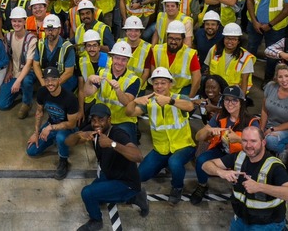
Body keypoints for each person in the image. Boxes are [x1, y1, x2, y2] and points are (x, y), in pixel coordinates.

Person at [66, 103, 148, 231]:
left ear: (109, 120)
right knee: (95, 199)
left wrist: (112, 144)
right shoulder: (93, 129)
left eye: (101, 119)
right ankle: (136, 196)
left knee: (87, 193)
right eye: (94, 120)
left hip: (126, 182)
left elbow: (138, 156)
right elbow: (68, 142)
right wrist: (78, 136)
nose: (97, 123)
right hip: (110, 174)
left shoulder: (118, 133)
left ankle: (96, 220)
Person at [202, 126, 288, 230]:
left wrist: (260, 187)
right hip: (240, 219)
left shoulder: (274, 166)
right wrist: (221, 172)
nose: (248, 145)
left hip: (266, 224)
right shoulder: (239, 157)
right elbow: (205, 165)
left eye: (253, 141)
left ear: (263, 143)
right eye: (244, 141)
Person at [126, 67, 196, 204]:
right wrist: (134, 101)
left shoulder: (180, 98)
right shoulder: (149, 102)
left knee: (175, 162)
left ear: (170, 84)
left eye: (163, 83)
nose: (159, 86)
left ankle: (177, 187)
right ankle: (164, 163)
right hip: (161, 149)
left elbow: (190, 106)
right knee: (140, 176)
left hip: (183, 146)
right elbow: (129, 113)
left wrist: (170, 101)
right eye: (156, 83)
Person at [190, 86, 260, 205]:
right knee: (201, 160)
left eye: (234, 100)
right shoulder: (219, 116)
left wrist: (238, 139)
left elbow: (258, 146)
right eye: (227, 99)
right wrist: (209, 130)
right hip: (221, 150)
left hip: (241, 155)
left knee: (247, 170)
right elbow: (198, 137)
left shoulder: (251, 121)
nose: (230, 103)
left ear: (241, 102)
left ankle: (239, 189)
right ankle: (202, 185)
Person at [26, 66, 80, 180]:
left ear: (59, 80)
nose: (50, 83)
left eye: (53, 79)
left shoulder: (70, 98)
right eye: (47, 80)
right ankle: (54, 140)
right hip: (52, 123)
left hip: (68, 128)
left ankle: (63, 160)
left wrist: (50, 128)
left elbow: (72, 124)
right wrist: (36, 133)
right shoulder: (42, 92)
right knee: (31, 151)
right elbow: (39, 112)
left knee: (61, 137)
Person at [82, 41, 141, 141]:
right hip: (103, 119)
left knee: (128, 147)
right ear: (112, 58)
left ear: (128, 61)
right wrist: (89, 80)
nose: (119, 62)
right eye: (117, 58)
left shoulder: (134, 79)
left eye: (123, 60)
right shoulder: (102, 72)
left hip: (123, 120)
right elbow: (88, 93)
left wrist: (118, 90)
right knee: (82, 136)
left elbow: (127, 102)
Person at [0, 7, 37, 115]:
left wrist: (18, 81)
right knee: (2, 105)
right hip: (14, 72)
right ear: (11, 21)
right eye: (14, 21)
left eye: (19, 21)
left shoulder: (31, 39)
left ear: (25, 21)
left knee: (26, 81)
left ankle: (27, 102)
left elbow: (29, 64)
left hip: (28, 72)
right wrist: (9, 71)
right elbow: (10, 57)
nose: (17, 24)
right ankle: (21, 90)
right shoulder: (8, 36)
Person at [261, 64, 288, 157]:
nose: (284, 80)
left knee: (270, 141)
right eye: (280, 77)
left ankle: (285, 148)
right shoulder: (270, 86)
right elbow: (264, 110)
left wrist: (272, 129)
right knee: (252, 133)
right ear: (276, 79)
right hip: (269, 124)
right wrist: (261, 129)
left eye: (286, 76)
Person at [150, 20, 201, 98]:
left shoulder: (190, 54)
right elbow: (153, 70)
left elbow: (197, 78)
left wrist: (190, 98)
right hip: (162, 88)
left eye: (177, 39)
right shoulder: (157, 50)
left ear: (183, 39)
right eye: (170, 38)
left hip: (182, 89)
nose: (173, 42)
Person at [205, 23, 255, 96]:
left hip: (234, 93)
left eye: (234, 39)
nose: (230, 42)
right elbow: (208, 71)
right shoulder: (214, 50)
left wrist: (242, 99)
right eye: (228, 38)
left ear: (238, 41)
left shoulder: (245, 57)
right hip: (215, 90)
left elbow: (245, 81)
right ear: (224, 39)